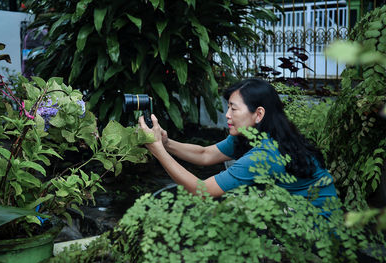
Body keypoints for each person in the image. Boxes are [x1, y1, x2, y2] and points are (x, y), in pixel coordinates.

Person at [138, 78, 337, 210]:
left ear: (258, 114)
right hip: (291, 212)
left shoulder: (267, 153)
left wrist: (156, 150)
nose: (227, 115)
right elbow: (204, 154)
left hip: (317, 230)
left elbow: (203, 192)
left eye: (234, 109)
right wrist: (165, 143)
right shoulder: (250, 135)